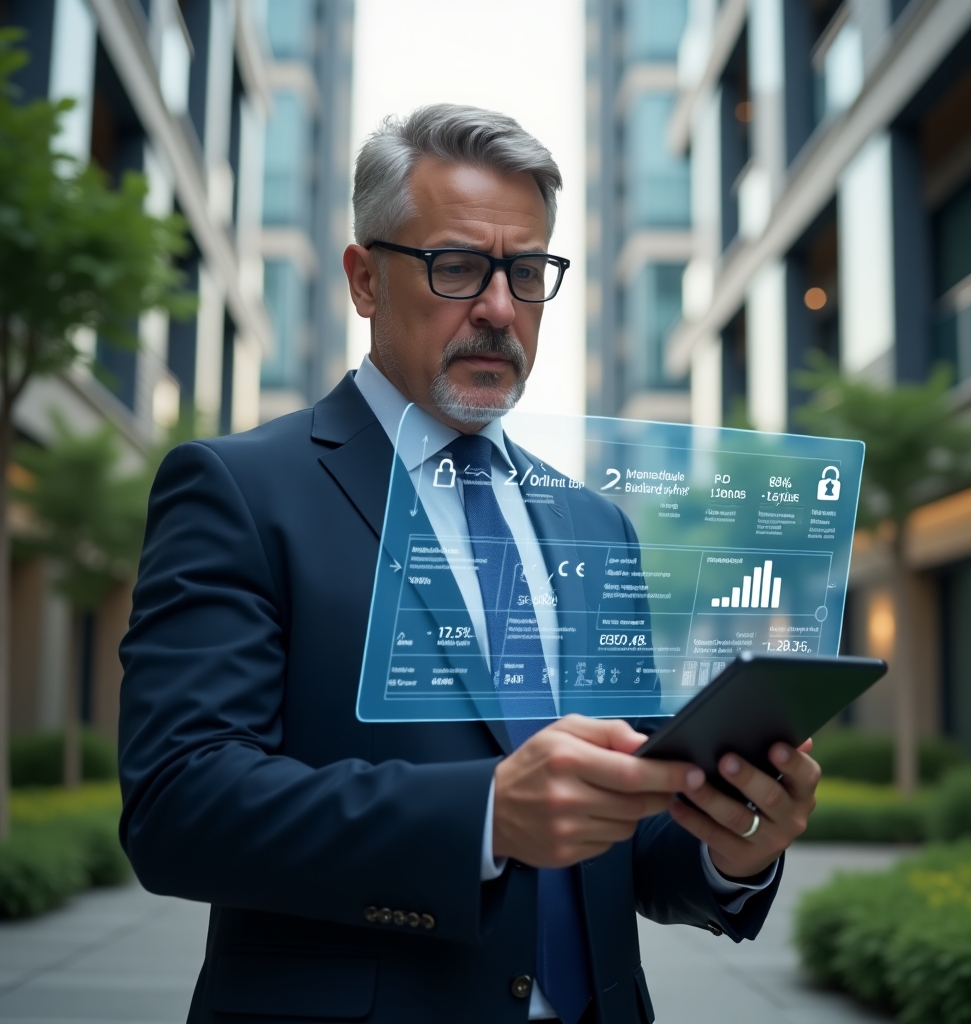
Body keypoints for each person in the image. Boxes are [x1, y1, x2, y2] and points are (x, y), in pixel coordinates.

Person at [119, 105, 821, 1024]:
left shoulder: (597, 525)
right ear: (364, 279)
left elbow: (638, 836)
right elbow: (179, 806)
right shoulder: (240, 490)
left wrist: (731, 844)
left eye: (526, 272)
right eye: (456, 266)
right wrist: (485, 813)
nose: (498, 308)